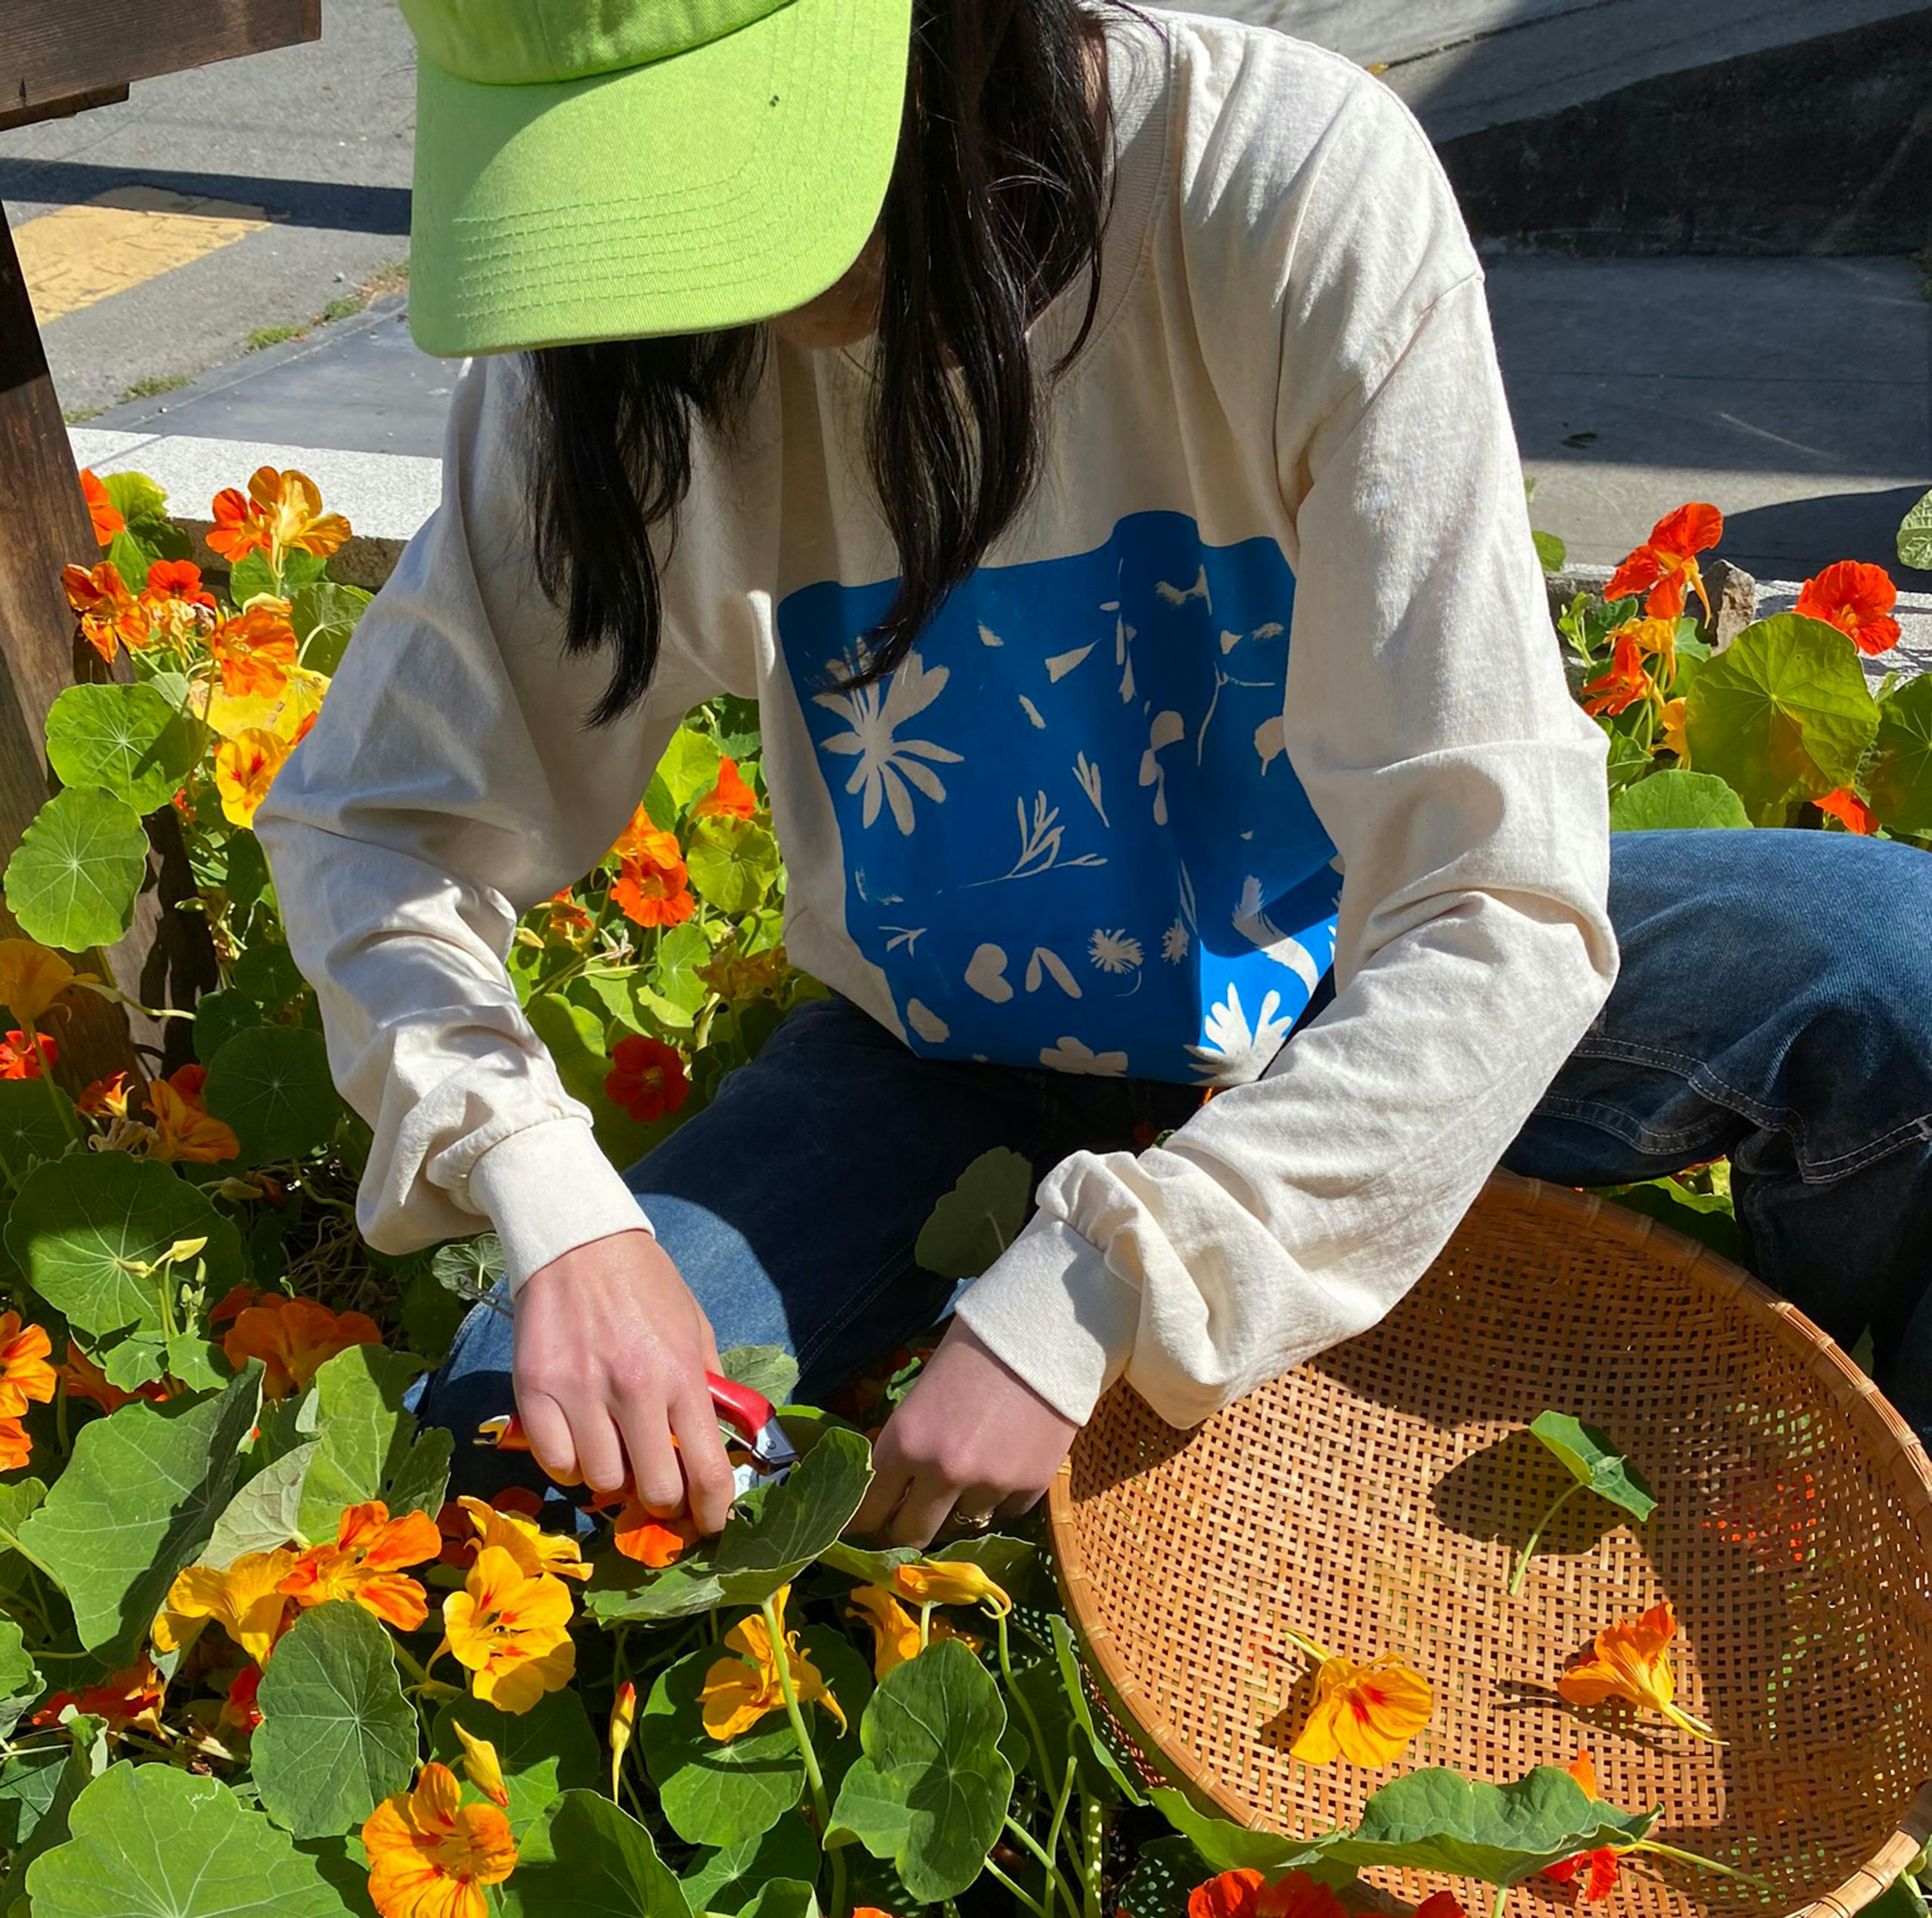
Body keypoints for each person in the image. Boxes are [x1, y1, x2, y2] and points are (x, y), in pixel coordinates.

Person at [263, 0, 1932, 1550]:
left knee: (1899, 975)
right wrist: (555, 1203)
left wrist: (1101, 1280)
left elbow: (1489, 896)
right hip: (945, 1050)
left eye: (719, 175)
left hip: (1344, 976)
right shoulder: (612, 354)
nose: (690, 278)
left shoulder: (1279, 186)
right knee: (519, 1457)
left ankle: (1858, 1512)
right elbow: (370, 823)